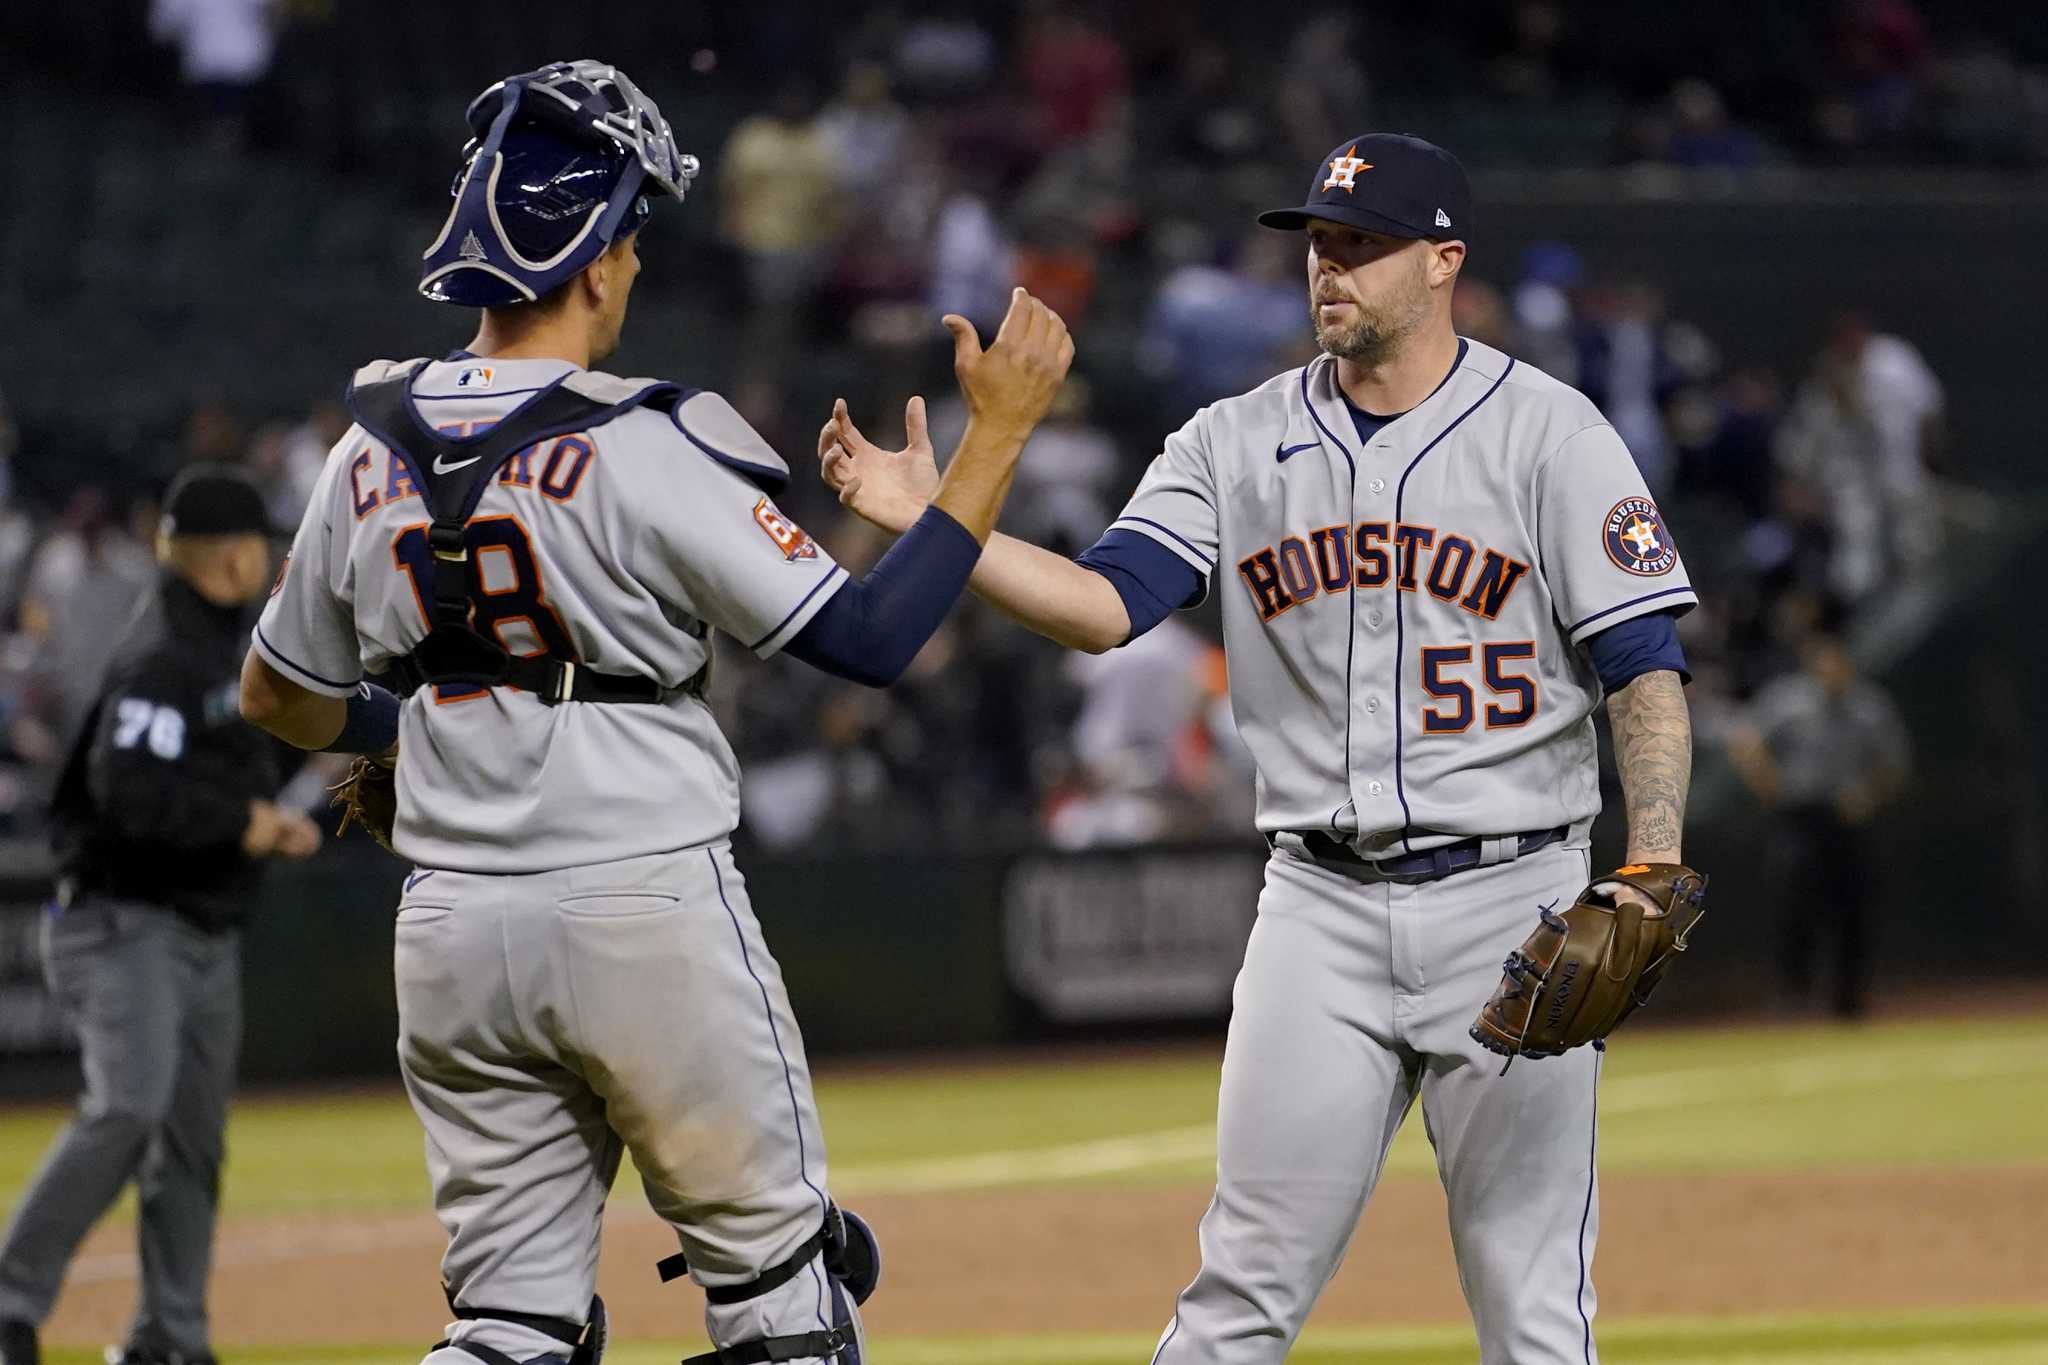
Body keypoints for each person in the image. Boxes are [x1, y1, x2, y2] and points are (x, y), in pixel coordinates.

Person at [235, 61, 1070, 1365]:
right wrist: (994, 442)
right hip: (640, 904)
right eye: (629, 239)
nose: (630, 269)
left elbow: (275, 694)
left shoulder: (365, 447)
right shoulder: (644, 437)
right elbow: (867, 635)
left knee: (508, 1324)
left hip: (452, 929)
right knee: (788, 1316)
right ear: (596, 255)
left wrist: (399, 736)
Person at [823, 132, 1698, 1363]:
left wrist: (1650, 859)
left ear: (1442, 262)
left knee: (1531, 1309)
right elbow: (1100, 606)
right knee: (1236, 1294)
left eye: (1361, 245)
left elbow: (1643, 664)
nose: (1326, 268)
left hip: (1513, 903)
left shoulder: (1550, 435)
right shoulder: (1228, 442)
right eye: (1318, 244)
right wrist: (939, 522)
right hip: (1317, 911)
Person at [0, 466, 321, 1365]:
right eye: (256, 544)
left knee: (190, 1143)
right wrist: (242, 821)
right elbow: (127, 792)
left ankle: (169, 1340)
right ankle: (8, 1300)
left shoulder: (222, 645)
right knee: (129, 1108)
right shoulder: (165, 654)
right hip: (121, 919)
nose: (264, 558)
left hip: (200, 926)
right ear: (226, 558)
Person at [1725, 622, 1908, 1017]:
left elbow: (1893, 764)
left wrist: (1868, 796)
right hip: (1799, 817)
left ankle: (1849, 999)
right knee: (1794, 906)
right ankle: (1793, 995)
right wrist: (1769, 785)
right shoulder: (1788, 701)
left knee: (1853, 911)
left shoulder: (1869, 707)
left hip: (1848, 821)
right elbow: (1745, 740)